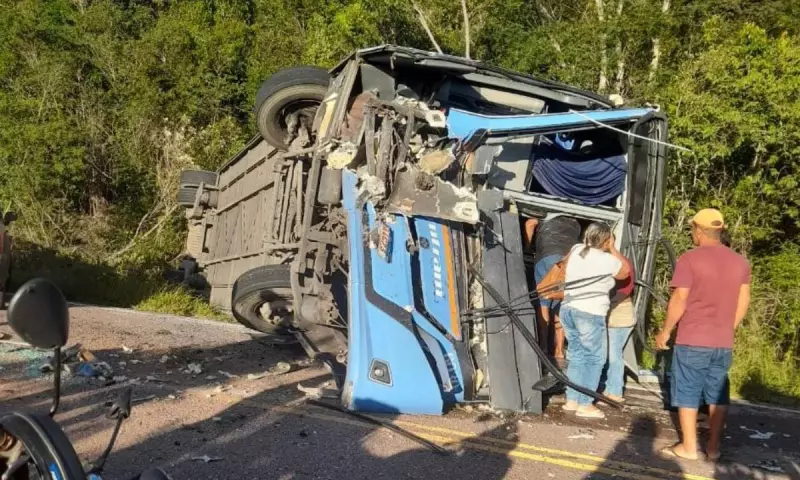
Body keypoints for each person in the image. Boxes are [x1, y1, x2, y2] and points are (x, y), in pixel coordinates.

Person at [655, 208, 751, 461]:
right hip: (722, 342)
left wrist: (665, 331)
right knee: (717, 394)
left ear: (698, 229)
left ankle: (688, 447)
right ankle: (713, 448)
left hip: (693, 338)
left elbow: (679, 298)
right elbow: (744, 301)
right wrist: (729, 327)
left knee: (687, 391)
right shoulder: (740, 262)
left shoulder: (690, 259)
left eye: (692, 229)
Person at [560, 222, 629, 418]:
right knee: (594, 358)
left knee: (576, 355)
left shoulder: (576, 249)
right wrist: (613, 247)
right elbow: (625, 271)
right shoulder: (608, 260)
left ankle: (572, 399)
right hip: (590, 312)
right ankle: (585, 403)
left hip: (569, 307)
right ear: (606, 240)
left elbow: (565, 263)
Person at [524, 214, 581, 362]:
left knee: (543, 303)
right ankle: (559, 350)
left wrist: (527, 246)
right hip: (566, 262)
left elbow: (530, 223)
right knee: (560, 304)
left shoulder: (546, 218)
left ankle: (543, 347)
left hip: (546, 258)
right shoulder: (575, 224)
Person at [603, 255, 635, 403]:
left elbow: (628, 285)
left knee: (614, 354)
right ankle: (610, 388)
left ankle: (615, 391)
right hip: (619, 313)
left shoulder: (620, 263)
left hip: (620, 314)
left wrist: (611, 302)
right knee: (612, 353)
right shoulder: (618, 261)